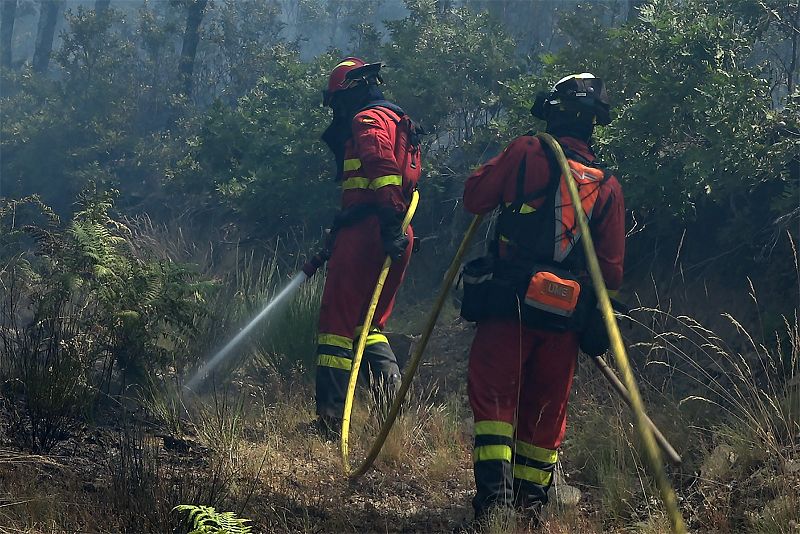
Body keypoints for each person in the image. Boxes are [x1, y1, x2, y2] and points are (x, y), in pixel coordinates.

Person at [460, 73, 625, 522]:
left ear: (553, 112)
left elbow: (475, 197)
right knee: (545, 414)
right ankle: (529, 512)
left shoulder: (528, 152)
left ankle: (494, 510)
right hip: (564, 321)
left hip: (509, 307)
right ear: (594, 124)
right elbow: (610, 273)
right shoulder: (608, 186)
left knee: (494, 401)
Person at [302, 57, 423, 439]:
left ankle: (330, 421)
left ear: (349, 93)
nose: (337, 111)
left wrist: (384, 222)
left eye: (337, 101)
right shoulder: (399, 121)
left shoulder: (366, 120)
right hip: (393, 231)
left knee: (335, 328)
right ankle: (389, 414)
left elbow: (380, 168)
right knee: (367, 327)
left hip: (371, 231)